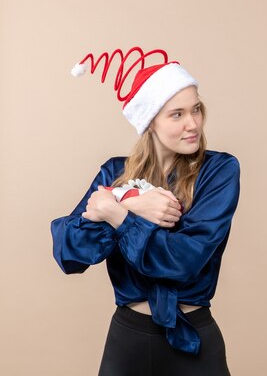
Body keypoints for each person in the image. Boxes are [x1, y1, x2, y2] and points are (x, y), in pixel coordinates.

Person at [51, 47, 240, 376]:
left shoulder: (219, 171)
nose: (193, 123)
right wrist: (130, 203)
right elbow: (70, 253)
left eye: (196, 109)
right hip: (128, 343)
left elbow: (183, 261)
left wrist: (117, 215)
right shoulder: (114, 174)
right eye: (177, 114)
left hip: (193, 341)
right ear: (149, 120)